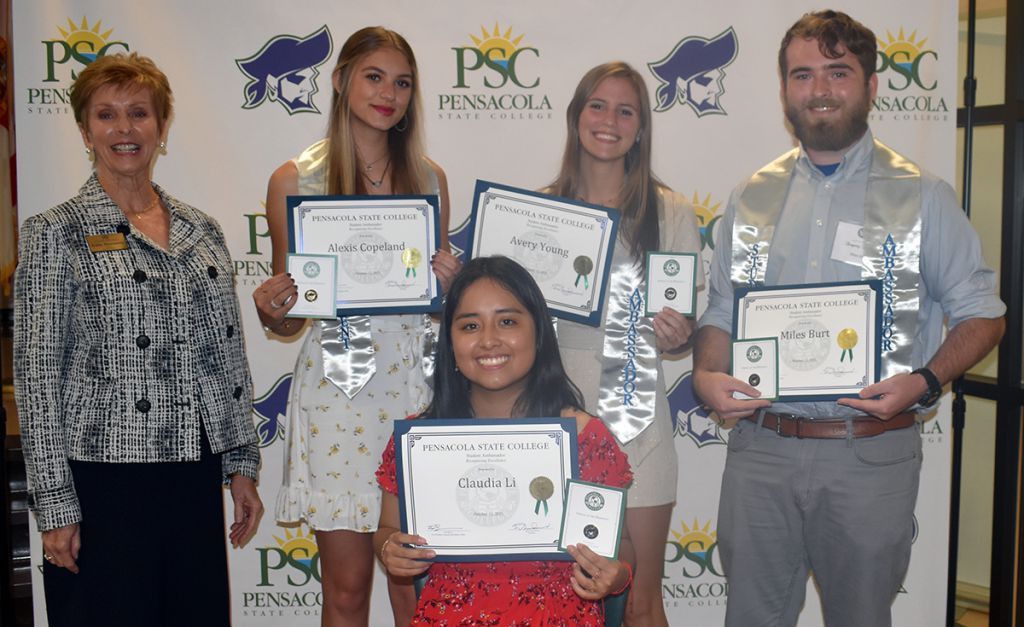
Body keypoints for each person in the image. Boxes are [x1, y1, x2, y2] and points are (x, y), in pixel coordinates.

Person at [692, 10, 1005, 627]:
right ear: (784, 89)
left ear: (871, 85)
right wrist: (705, 372)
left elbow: (983, 316)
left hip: (868, 457)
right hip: (762, 451)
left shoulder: (923, 194)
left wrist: (924, 381)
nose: (820, 90)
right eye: (802, 75)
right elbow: (722, 309)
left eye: (838, 73)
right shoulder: (752, 194)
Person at [13, 52, 262, 627]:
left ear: (162, 126)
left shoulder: (202, 228)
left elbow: (226, 354)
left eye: (139, 114)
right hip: (103, 479)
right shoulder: (56, 232)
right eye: (106, 115)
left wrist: (241, 461)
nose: (124, 129)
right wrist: (55, 506)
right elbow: (37, 378)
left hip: (191, 467)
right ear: (84, 130)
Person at [252, 26, 459, 626]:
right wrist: (273, 307)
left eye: (402, 82)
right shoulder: (294, 181)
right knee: (344, 591)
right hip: (336, 396)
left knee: (413, 589)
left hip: (417, 392)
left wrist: (450, 287)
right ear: (340, 81)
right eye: (374, 76)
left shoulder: (430, 179)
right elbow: (291, 318)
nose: (388, 93)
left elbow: (435, 308)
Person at [373, 256, 635, 624]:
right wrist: (389, 547)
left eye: (507, 321)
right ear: (450, 341)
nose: (489, 340)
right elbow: (386, 530)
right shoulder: (420, 440)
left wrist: (616, 574)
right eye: (469, 326)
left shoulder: (584, 437)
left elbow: (620, 548)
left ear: (539, 332)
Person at [545, 61, 702, 626]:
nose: (609, 120)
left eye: (626, 110)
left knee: (641, 600)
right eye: (598, 105)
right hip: (557, 417)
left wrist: (678, 331)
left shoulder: (671, 211)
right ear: (576, 116)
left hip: (641, 421)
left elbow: (680, 316)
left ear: (641, 127)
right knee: (561, 596)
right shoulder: (537, 211)